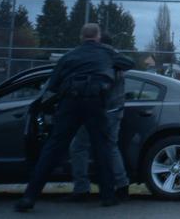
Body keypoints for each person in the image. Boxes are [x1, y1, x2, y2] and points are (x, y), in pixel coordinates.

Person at [15, 23, 131, 212]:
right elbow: (128, 63)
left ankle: (29, 196)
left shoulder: (70, 56)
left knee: (53, 148)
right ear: (98, 36)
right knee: (102, 146)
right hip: (95, 102)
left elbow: (52, 84)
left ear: (81, 36)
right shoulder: (107, 54)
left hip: (70, 103)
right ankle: (108, 196)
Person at [67, 33, 135, 202]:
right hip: (115, 108)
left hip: (99, 109)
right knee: (110, 146)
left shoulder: (103, 58)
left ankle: (82, 187)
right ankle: (121, 185)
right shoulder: (116, 60)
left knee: (79, 146)